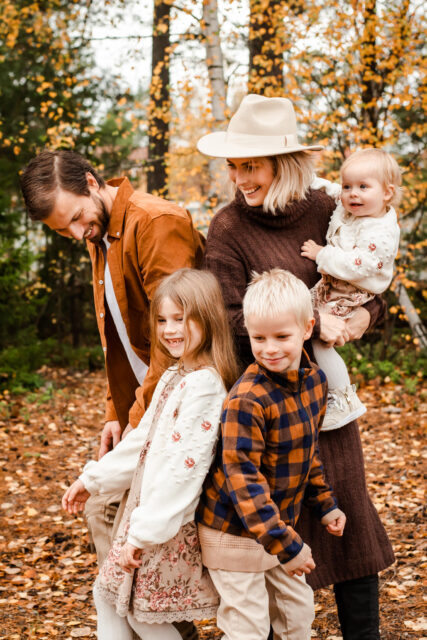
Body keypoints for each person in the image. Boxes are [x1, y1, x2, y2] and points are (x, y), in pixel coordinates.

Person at [197, 94, 395, 639]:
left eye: (250, 165)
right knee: (286, 520)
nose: (239, 177)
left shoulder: (332, 204)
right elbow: (230, 315)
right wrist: (301, 320)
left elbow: (373, 273)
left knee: (349, 514)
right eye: (233, 166)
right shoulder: (228, 228)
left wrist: (359, 318)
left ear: (283, 164)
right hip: (271, 400)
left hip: (327, 398)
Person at [20, 150, 205, 640]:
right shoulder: (99, 236)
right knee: (102, 511)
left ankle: (162, 620)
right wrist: (114, 413)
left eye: (77, 218)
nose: (77, 233)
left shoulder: (155, 223)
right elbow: (118, 337)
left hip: (186, 400)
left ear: (91, 180)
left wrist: (141, 423)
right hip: (148, 403)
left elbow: (177, 341)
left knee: (106, 508)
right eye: (63, 231)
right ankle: (153, 616)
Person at [62, 268, 239, 640]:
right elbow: (141, 442)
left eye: (180, 319)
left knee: (140, 615)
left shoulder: (205, 387)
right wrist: (92, 480)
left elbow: (183, 471)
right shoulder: (177, 375)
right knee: (109, 597)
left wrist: (143, 534)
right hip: (143, 517)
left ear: (206, 318)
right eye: (162, 320)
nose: (169, 329)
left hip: (163, 525)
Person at [197, 269, 346, 640]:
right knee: (248, 626)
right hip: (232, 531)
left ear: (308, 328)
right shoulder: (247, 399)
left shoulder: (314, 383)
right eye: (259, 337)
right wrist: (288, 545)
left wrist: (324, 504)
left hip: (277, 527)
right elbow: (242, 481)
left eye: (282, 336)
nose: (270, 348)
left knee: (298, 614)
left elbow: (307, 451)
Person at [301, 148, 401, 429]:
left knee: (320, 338)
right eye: (348, 186)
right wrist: (313, 180)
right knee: (301, 313)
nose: (352, 194)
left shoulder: (379, 232)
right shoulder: (356, 207)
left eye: (362, 187)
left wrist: (322, 254)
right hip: (335, 286)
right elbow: (335, 191)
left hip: (350, 291)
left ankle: (342, 397)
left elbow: (358, 265)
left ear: (387, 193)